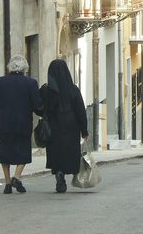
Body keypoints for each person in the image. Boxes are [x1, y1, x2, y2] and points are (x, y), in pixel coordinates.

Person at [0, 55, 42, 194]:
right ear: (25, 69)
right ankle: (16, 177)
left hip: (3, 123)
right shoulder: (30, 83)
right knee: (23, 151)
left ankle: (7, 183)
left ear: (9, 67)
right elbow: (38, 105)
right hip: (23, 123)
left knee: (4, 152)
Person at [40, 59, 89, 193]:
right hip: (71, 126)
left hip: (53, 126)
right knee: (69, 152)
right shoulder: (73, 90)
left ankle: (59, 172)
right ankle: (66, 171)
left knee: (56, 152)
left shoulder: (46, 91)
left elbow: (39, 108)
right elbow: (80, 111)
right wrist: (84, 130)